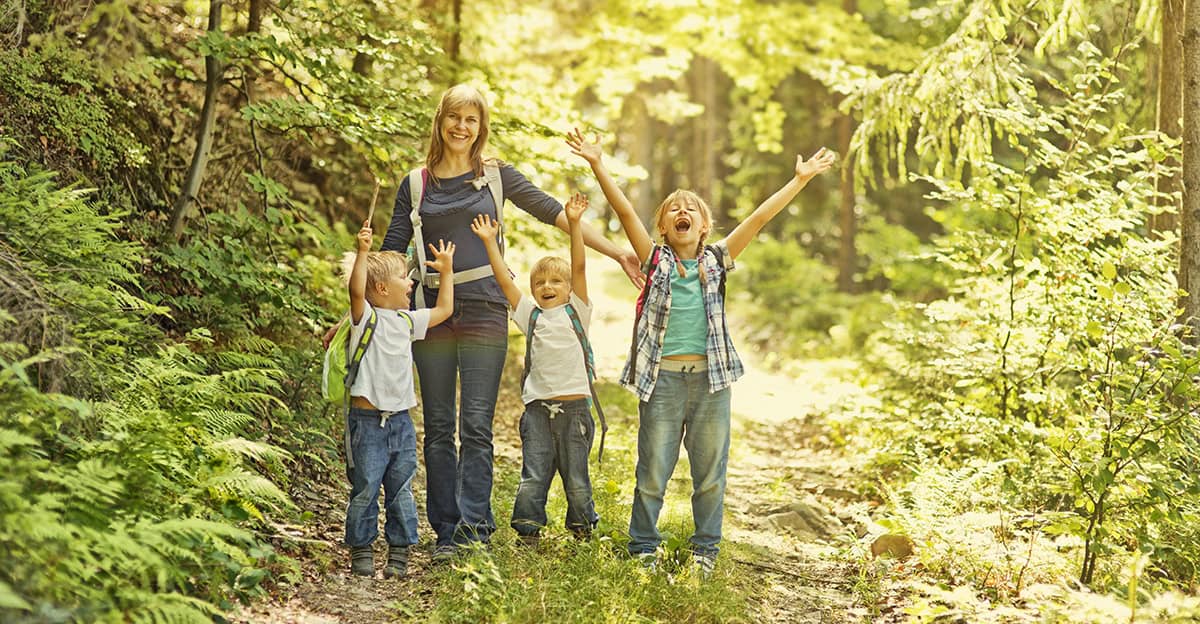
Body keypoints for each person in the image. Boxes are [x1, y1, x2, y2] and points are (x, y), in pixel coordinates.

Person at [378, 84, 639, 558]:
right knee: (437, 426)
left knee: (475, 425)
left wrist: (619, 250)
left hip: (485, 308)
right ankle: (446, 531)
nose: (462, 127)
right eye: (454, 118)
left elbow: (554, 213)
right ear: (440, 122)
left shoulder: (496, 176)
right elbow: (392, 251)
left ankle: (474, 530)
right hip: (431, 311)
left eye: (471, 120)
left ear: (481, 128)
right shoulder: (415, 184)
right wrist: (360, 312)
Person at [566, 128, 836, 577]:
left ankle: (704, 552)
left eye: (691, 208)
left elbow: (759, 219)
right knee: (653, 472)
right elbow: (624, 209)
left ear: (705, 226)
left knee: (709, 475)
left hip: (711, 383)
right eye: (674, 208)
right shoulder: (655, 259)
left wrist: (801, 180)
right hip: (664, 381)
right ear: (664, 226)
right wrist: (597, 163)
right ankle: (643, 550)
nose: (682, 210)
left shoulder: (717, 258)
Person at [469, 193, 600, 546]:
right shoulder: (533, 317)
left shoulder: (578, 312)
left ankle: (583, 533)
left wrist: (573, 223)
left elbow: (580, 267)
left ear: (570, 289)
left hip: (575, 413)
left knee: (577, 479)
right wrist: (488, 242)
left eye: (556, 282)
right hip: (538, 412)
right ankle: (528, 533)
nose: (547, 287)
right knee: (534, 476)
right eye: (540, 283)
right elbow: (504, 282)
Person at [343, 218, 456, 578]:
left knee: (401, 490)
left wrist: (448, 272)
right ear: (381, 287)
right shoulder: (365, 318)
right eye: (404, 278)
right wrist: (363, 252)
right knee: (365, 489)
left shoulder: (407, 321)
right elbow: (355, 292)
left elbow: (444, 311)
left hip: (401, 424)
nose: (411, 282)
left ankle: (399, 552)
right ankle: (361, 550)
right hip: (367, 423)